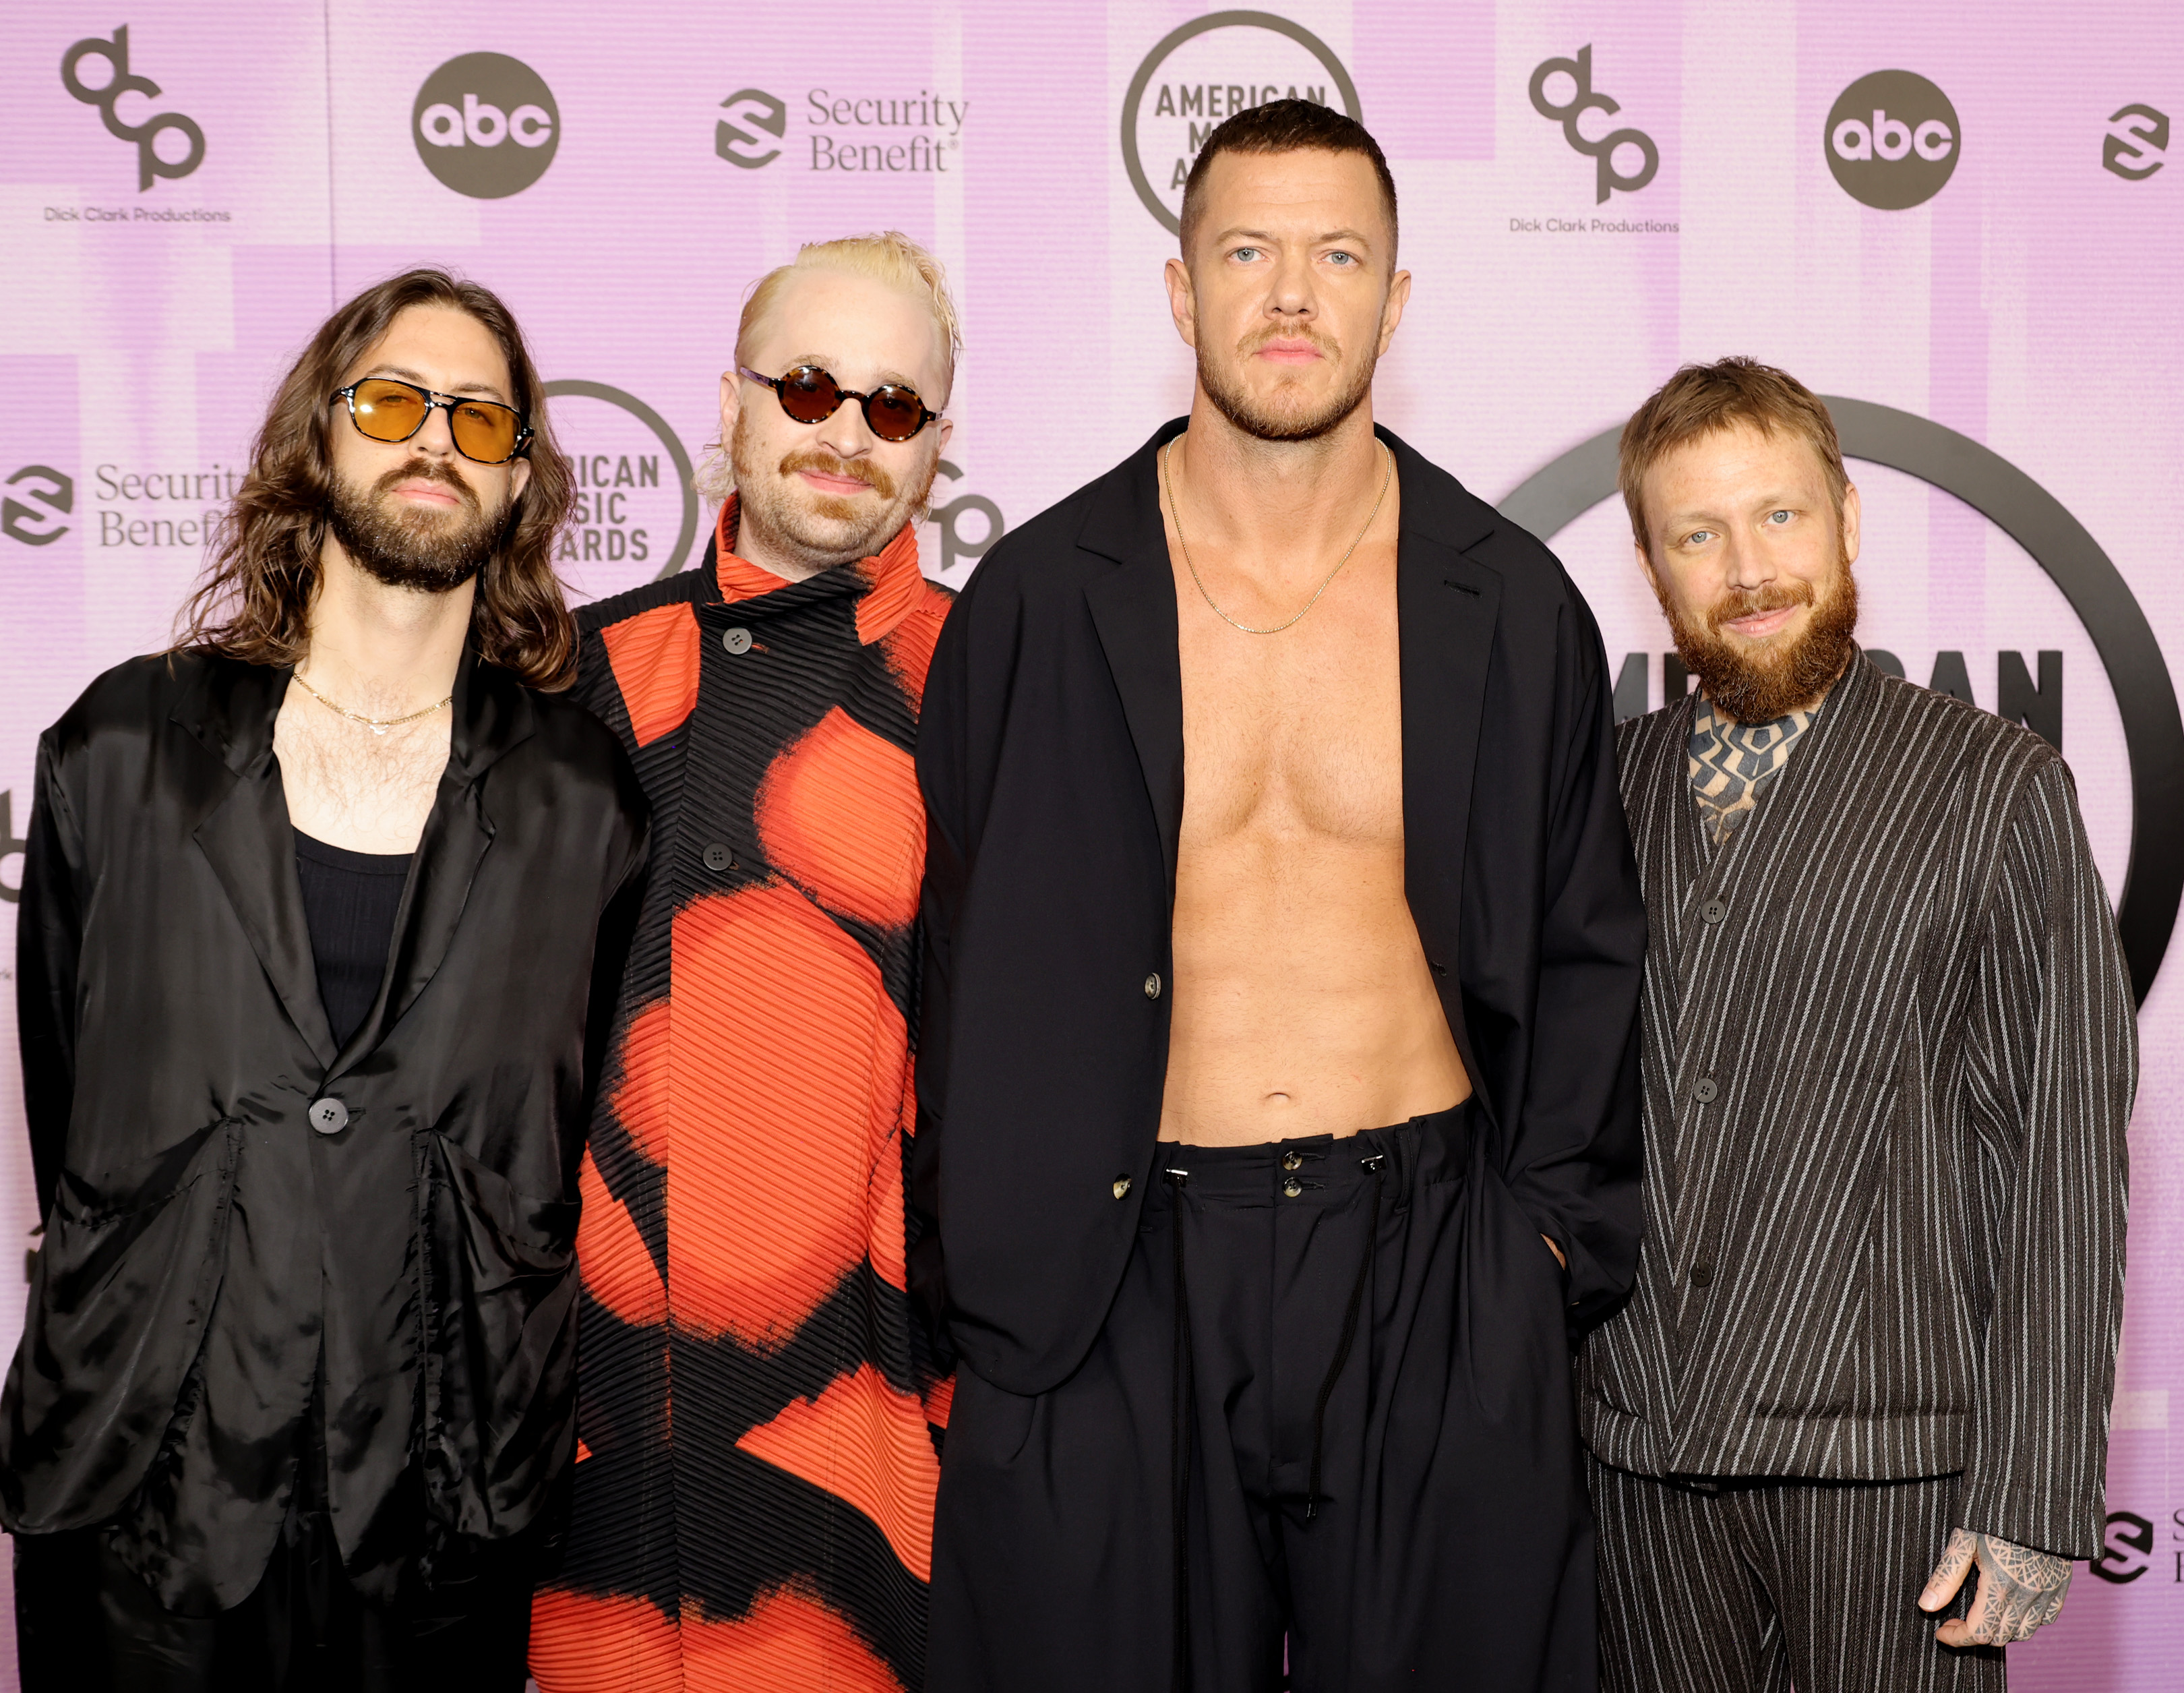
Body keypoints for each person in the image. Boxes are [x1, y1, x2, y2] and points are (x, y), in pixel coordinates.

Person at [913, 101, 1646, 1692]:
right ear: (1181, 291)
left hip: (1434, 1258)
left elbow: (1588, 954)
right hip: (1115, 1279)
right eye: (1247, 251)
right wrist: (987, 1262)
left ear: (1398, 295)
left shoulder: (1512, 600)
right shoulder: (1037, 602)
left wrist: (1536, 1259)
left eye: (1337, 255)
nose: (1292, 295)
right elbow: (962, 965)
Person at [3, 268, 648, 1692]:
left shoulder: (582, 800)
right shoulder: (121, 750)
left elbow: (566, 1105)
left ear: (523, 477)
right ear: (321, 436)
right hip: (141, 1487)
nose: (436, 442)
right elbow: (72, 1094)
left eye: (482, 420)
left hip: (437, 1497)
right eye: (395, 403)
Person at [1579, 357, 2135, 1692]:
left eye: (1780, 515)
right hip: (1640, 1461)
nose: (1750, 565)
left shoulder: (1993, 782)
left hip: (1896, 1471)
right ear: (1652, 564)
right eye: (1697, 532)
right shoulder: (1605, 787)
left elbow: (2060, 1153)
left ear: (1846, 518)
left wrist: (2033, 1491)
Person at [526, 233, 959, 1693]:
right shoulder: (579, 678)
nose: (846, 430)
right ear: (730, 405)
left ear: (936, 448)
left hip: (870, 1436)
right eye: (812, 385)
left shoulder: (990, 688)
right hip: (603, 1434)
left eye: (893, 406)